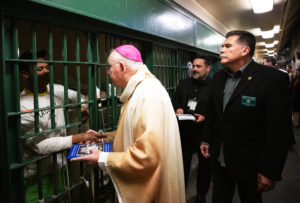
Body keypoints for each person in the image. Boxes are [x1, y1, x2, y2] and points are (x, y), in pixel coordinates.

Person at [72, 45, 185, 203]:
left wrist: (102, 158)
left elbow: (147, 155)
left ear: (122, 66)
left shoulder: (147, 94)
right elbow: (134, 132)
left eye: (109, 67)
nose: (107, 72)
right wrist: (103, 138)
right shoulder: (142, 89)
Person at [200, 30, 292, 203]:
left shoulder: (271, 79)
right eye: (222, 46)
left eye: (228, 46)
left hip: (250, 162)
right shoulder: (218, 78)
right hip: (220, 157)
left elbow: (278, 129)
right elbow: (212, 113)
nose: (221, 50)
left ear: (245, 50)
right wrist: (206, 139)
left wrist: (270, 171)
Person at [20, 50, 102, 202]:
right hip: (36, 174)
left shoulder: (56, 90)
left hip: (59, 166)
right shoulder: (22, 105)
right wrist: (78, 137)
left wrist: (81, 107)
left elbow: (78, 97)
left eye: (47, 67)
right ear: (25, 74)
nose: (46, 71)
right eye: (39, 69)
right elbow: (40, 145)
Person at [172, 56, 212, 203]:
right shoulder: (184, 83)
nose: (194, 69)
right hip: (185, 132)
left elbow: (218, 109)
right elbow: (175, 99)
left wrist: (206, 117)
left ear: (208, 68)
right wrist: (178, 107)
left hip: (204, 133)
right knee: (182, 164)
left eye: (199, 66)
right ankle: (180, 193)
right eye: (194, 66)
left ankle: (201, 194)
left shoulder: (214, 86)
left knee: (204, 167)